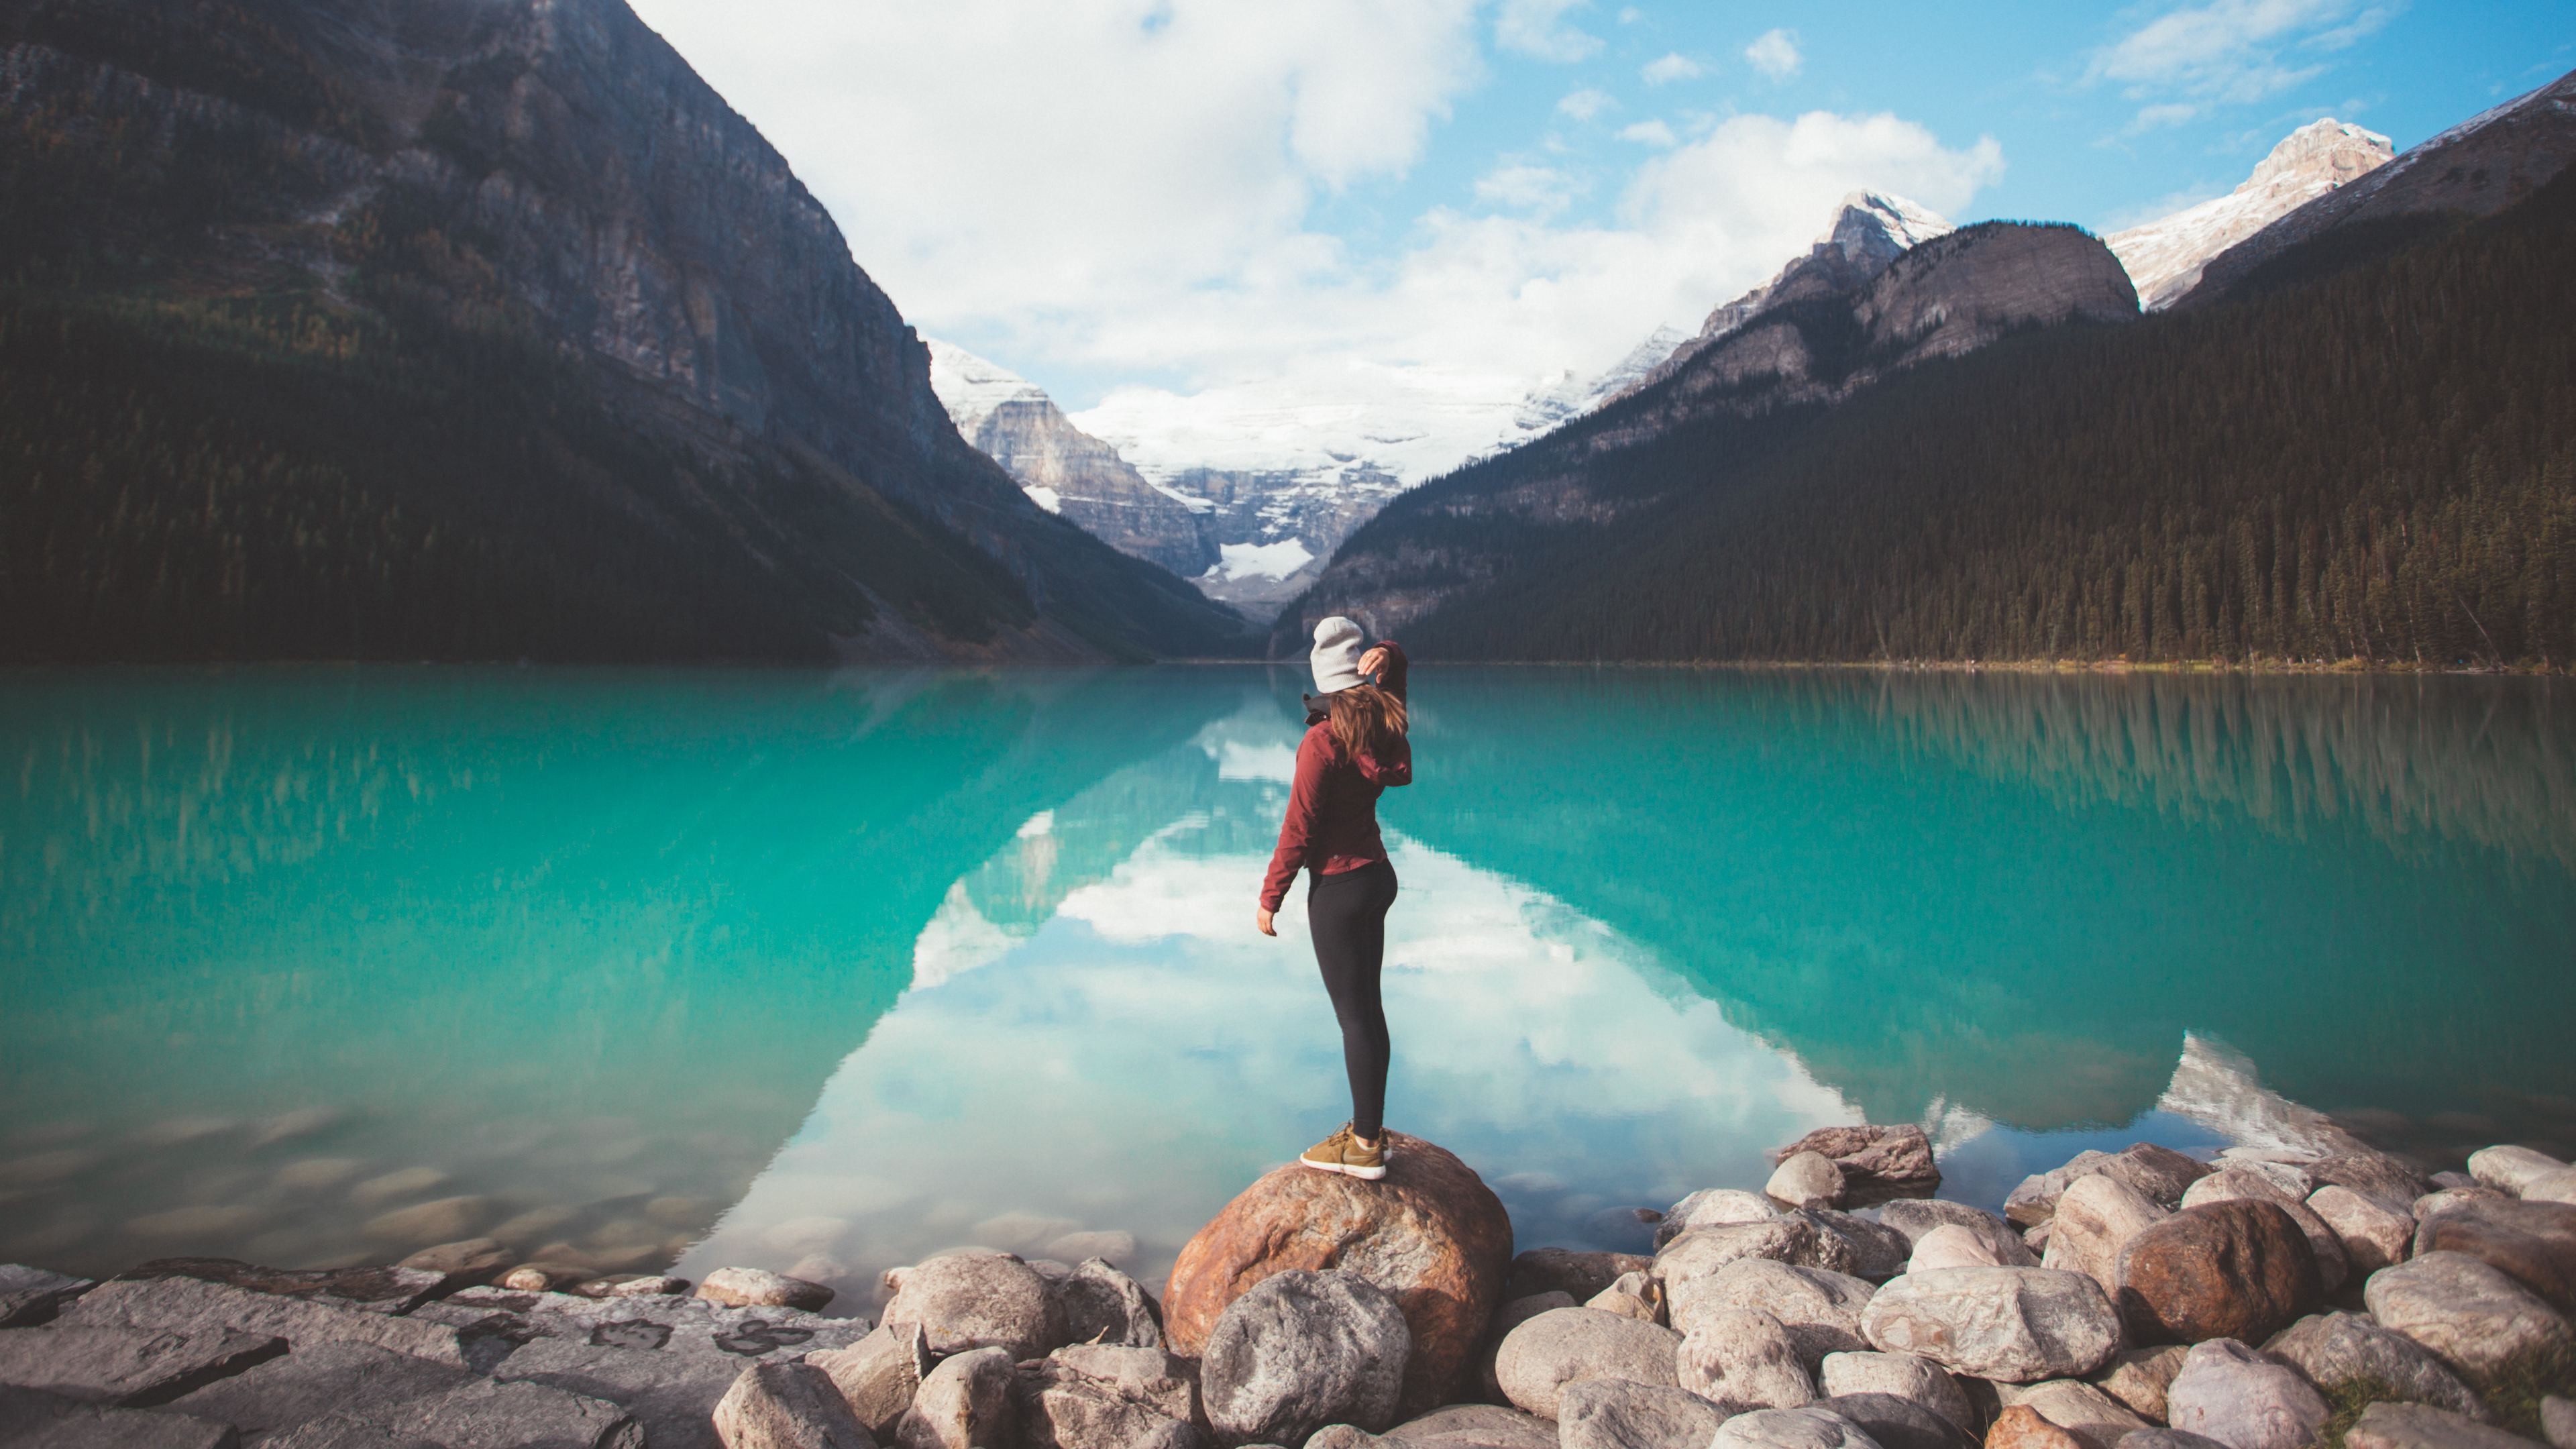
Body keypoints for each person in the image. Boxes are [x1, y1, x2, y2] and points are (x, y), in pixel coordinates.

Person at [1258, 616, 1411, 1181]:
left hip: (1340, 891)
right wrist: (1391, 656)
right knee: (1369, 1012)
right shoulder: (1384, 725)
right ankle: (1369, 1129)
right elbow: (1395, 688)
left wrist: (1270, 897)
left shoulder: (1322, 742)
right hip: (1378, 877)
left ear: (1324, 683)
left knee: (1355, 1019)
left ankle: (1367, 1144)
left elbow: (1299, 827)